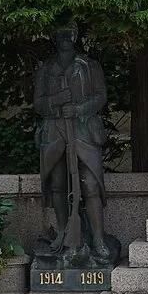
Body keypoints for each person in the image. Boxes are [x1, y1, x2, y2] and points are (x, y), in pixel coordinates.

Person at [33, 26, 111, 267]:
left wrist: (78, 109)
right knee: (58, 185)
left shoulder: (88, 65)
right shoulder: (46, 69)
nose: (66, 38)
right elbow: (38, 103)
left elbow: (100, 96)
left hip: (83, 129)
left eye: (70, 34)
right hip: (54, 130)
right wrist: (57, 101)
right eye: (62, 34)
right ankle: (66, 237)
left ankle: (98, 240)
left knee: (90, 184)